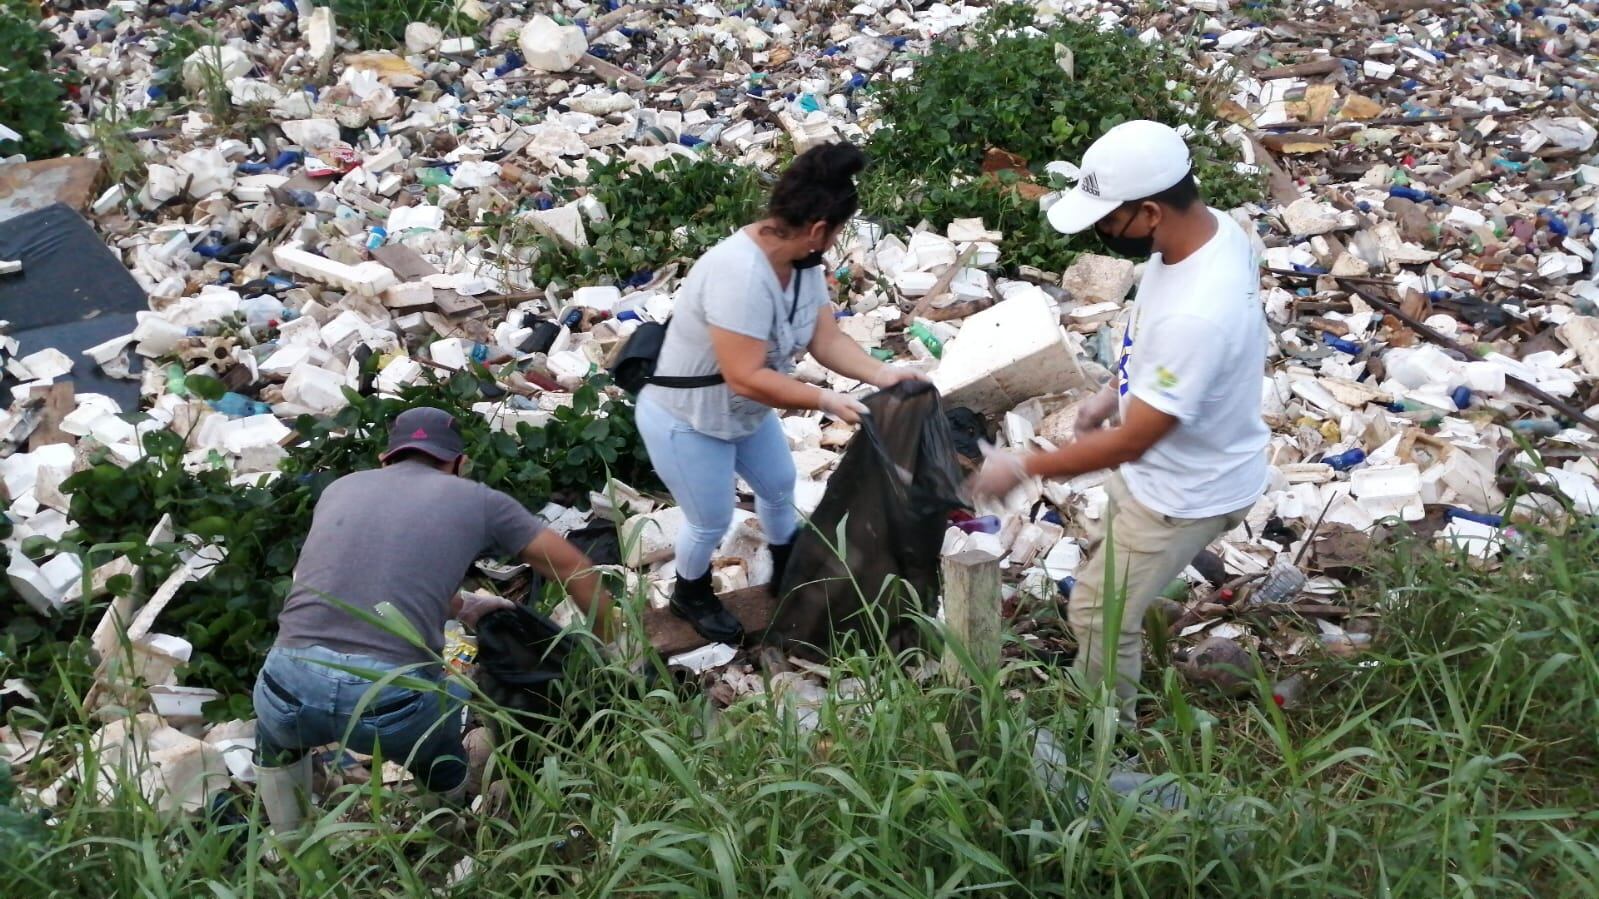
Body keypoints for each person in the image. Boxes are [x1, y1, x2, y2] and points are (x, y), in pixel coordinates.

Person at [970, 120, 1269, 727]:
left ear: (1152, 212)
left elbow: (1135, 440)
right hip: (1173, 468)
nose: (1103, 233)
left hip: (1186, 491)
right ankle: (1141, 638)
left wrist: (1022, 465)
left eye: (1108, 219)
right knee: (1110, 576)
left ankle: (1105, 735)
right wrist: (1113, 390)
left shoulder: (1198, 312)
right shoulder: (1209, 237)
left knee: (1096, 614)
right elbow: (1156, 350)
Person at [252, 407, 612, 834]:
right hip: (391, 708)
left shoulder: (340, 489)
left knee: (274, 741)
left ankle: (291, 851)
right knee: (446, 745)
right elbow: (576, 569)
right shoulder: (481, 500)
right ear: (458, 463)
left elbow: (370, 577)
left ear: (387, 457)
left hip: (287, 688)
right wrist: (613, 653)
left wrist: (460, 606)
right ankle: (438, 841)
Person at [636, 142, 922, 645]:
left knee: (778, 485)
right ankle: (690, 593)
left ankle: (788, 565)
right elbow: (745, 374)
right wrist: (826, 400)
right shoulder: (739, 273)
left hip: (744, 412)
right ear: (818, 230)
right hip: (686, 419)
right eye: (835, 233)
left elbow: (826, 338)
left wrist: (883, 374)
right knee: (710, 520)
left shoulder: (802, 268)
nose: (833, 243)